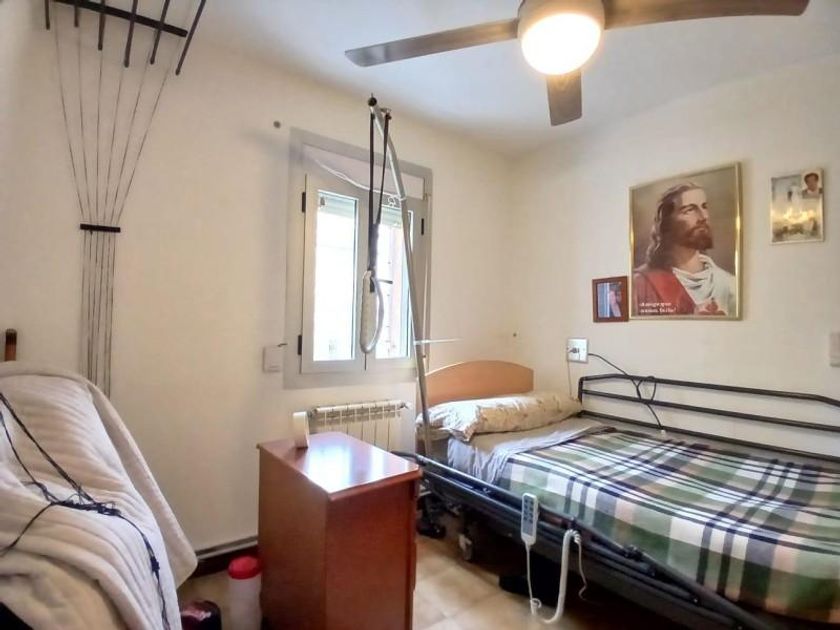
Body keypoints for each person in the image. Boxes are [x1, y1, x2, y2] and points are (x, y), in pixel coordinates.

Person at [633, 183, 736, 317]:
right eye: (689, 210)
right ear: (667, 223)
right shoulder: (642, 284)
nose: (703, 216)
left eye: (704, 207)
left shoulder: (729, 284)